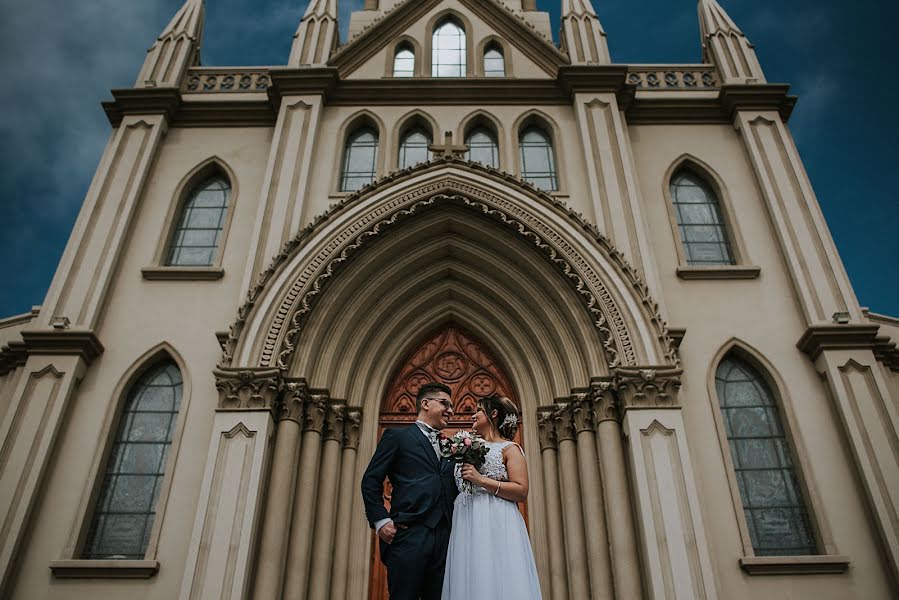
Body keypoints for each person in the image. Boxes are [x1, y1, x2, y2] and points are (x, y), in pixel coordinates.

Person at [361, 382, 458, 600]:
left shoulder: (451, 446)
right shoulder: (397, 437)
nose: (450, 411)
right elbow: (371, 480)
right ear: (425, 403)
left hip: (445, 537)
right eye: (445, 404)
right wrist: (381, 521)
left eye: (451, 406)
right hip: (409, 534)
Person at [441, 395, 542, 600]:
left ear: (493, 414)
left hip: (496, 520)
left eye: (478, 410)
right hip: (466, 519)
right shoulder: (467, 446)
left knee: (496, 573)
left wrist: (481, 480)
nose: (473, 415)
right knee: (469, 574)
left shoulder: (510, 449)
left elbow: (521, 490)